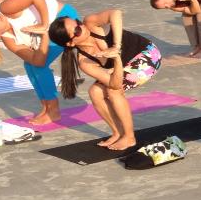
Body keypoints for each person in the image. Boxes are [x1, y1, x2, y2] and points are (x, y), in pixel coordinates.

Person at [49, 10, 161, 150]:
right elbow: (115, 83)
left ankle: (129, 137)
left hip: (148, 54)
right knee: (95, 92)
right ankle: (117, 132)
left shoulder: (90, 23)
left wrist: (116, 47)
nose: (81, 27)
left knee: (114, 92)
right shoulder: (84, 61)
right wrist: (116, 60)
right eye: (77, 30)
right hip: (122, 65)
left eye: (78, 23)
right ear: (70, 43)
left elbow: (116, 13)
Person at [0, 0, 77, 124]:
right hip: (52, 31)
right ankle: (46, 107)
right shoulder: (9, 40)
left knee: (40, 68)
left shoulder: (5, 8)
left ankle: (54, 111)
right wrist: (44, 34)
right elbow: (36, 60)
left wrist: (44, 24)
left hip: (64, 19)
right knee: (30, 65)